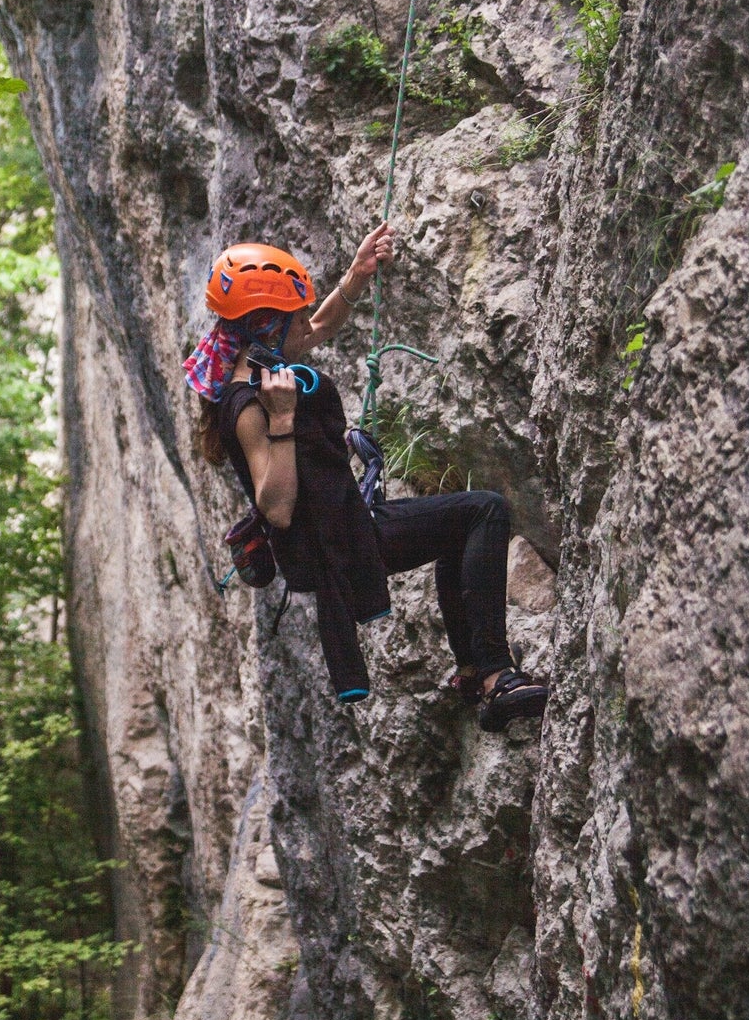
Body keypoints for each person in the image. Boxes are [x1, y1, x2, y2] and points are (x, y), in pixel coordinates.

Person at [185, 226, 549, 732]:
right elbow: (278, 508)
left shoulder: (265, 362)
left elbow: (318, 326)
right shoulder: (248, 404)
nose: (306, 325)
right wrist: (284, 419)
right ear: (268, 328)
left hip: (346, 523)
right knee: (485, 511)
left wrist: (356, 275)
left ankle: (474, 672)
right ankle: (495, 677)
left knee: (460, 525)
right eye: (294, 316)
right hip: (338, 543)